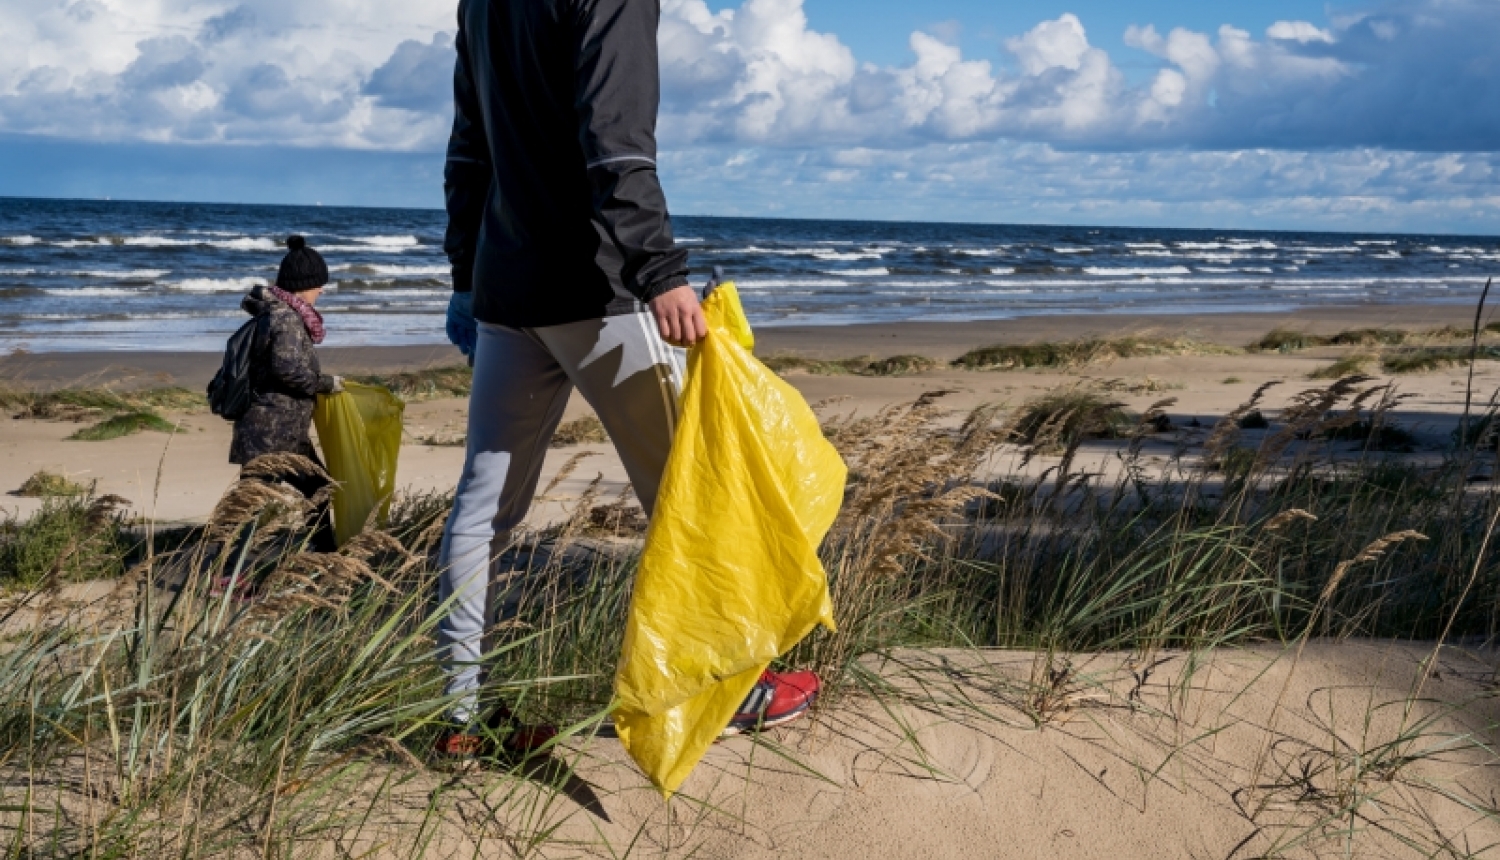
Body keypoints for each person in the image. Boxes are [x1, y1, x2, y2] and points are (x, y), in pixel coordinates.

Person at [435, 0, 820, 760]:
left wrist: (463, 279)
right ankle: (735, 689)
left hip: (507, 289)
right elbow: (615, 145)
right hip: (600, 293)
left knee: (483, 511)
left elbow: (467, 154)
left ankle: (457, 713)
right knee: (690, 491)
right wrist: (660, 274)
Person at [228, 235, 343, 554]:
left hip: (282, 431)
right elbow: (286, 369)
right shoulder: (286, 319)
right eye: (319, 285)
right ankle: (230, 577)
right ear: (305, 285)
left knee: (318, 487)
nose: (321, 292)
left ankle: (322, 552)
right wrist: (326, 383)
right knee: (250, 507)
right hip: (270, 433)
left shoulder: (278, 314)